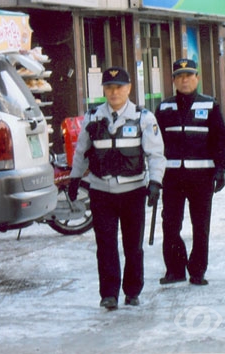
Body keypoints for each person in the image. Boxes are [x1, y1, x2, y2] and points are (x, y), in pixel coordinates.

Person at [68, 66, 166, 310]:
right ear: (103, 90)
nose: (114, 92)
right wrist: (74, 179)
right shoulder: (92, 117)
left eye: (119, 87)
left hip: (133, 192)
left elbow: (156, 154)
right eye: (109, 88)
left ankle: (132, 291)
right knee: (106, 245)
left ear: (129, 88)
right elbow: (81, 152)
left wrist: (155, 182)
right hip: (101, 192)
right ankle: (108, 294)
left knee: (133, 246)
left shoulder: (144, 117)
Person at [154, 58, 225, 286]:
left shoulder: (210, 105)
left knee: (200, 225)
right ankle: (175, 269)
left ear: (197, 78)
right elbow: (155, 143)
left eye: (189, 75)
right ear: (174, 80)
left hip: (202, 177)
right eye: (179, 76)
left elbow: (220, 139)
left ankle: (197, 270)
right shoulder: (164, 108)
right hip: (172, 177)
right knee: (170, 224)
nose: (184, 80)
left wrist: (220, 169)